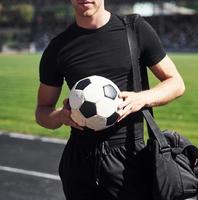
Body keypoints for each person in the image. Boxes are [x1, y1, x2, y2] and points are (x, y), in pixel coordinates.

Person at [35, 0, 185, 199]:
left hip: (130, 159)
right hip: (80, 162)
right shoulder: (58, 48)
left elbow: (176, 83)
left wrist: (142, 98)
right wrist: (61, 116)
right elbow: (42, 111)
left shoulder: (134, 29)